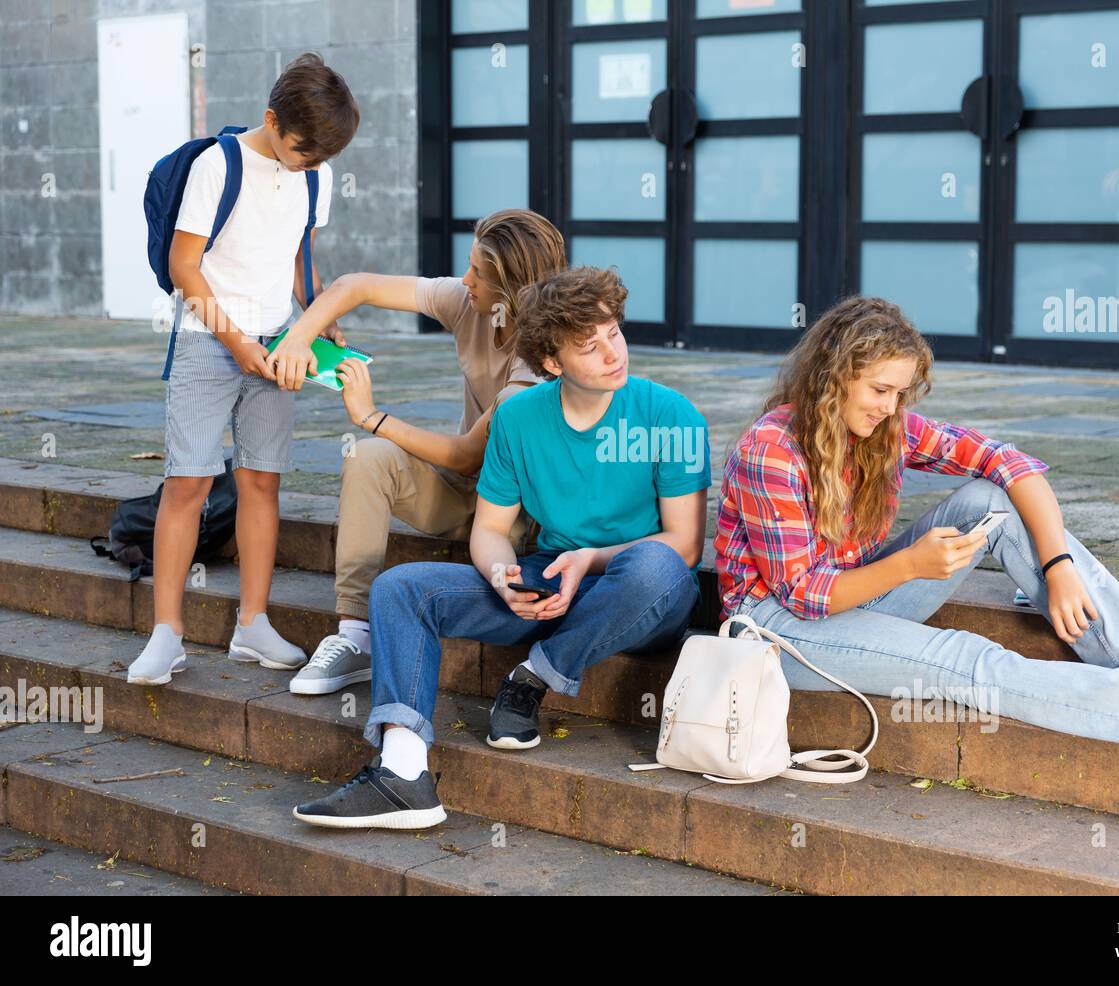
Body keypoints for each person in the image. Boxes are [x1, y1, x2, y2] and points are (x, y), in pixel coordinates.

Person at [713, 295, 1119, 753]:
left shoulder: (888, 429)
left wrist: (1058, 567)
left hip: (855, 594)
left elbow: (1008, 464)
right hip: (775, 629)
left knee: (991, 498)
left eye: (900, 393)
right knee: (966, 658)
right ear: (831, 378)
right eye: (879, 390)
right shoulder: (774, 451)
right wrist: (909, 565)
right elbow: (803, 594)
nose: (890, 407)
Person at [293, 266, 711, 829]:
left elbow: (684, 546)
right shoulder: (518, 417)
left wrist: (587, 559)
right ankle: (402, 771)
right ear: (553, 364)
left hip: (640, 594)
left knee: (655, 567)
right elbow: (489, 529)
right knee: (400, 589)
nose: (613, 353)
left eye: (614, 333)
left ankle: (533, 677)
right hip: (546, 584)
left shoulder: (669, 414)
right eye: (590, 346)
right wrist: (503, 578)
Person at [264, 209, 566, 695]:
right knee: (368, 459)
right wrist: (302, 336)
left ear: (513, 291)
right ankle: (354, 634)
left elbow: (469, 454)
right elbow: (357, 284)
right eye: (468, 266)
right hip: (466, 497)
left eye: (479, 274)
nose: (465, 280)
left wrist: (372, 417)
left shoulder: (540, 362)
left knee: (373, 439)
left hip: (519, 518)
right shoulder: (470, 303)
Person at [129, 53, 359, 686]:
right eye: (299, 151)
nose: (306, 165)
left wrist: (315, 315)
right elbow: (184, 268)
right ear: (270, 119)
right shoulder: (218, 164)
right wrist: (235, 343)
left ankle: (252, 625)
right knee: (189, 483)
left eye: (318, 159)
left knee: (262, 481)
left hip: (278, 340)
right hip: (209, 339)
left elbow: (298, 254)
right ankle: (166, 635)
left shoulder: (315, 171)